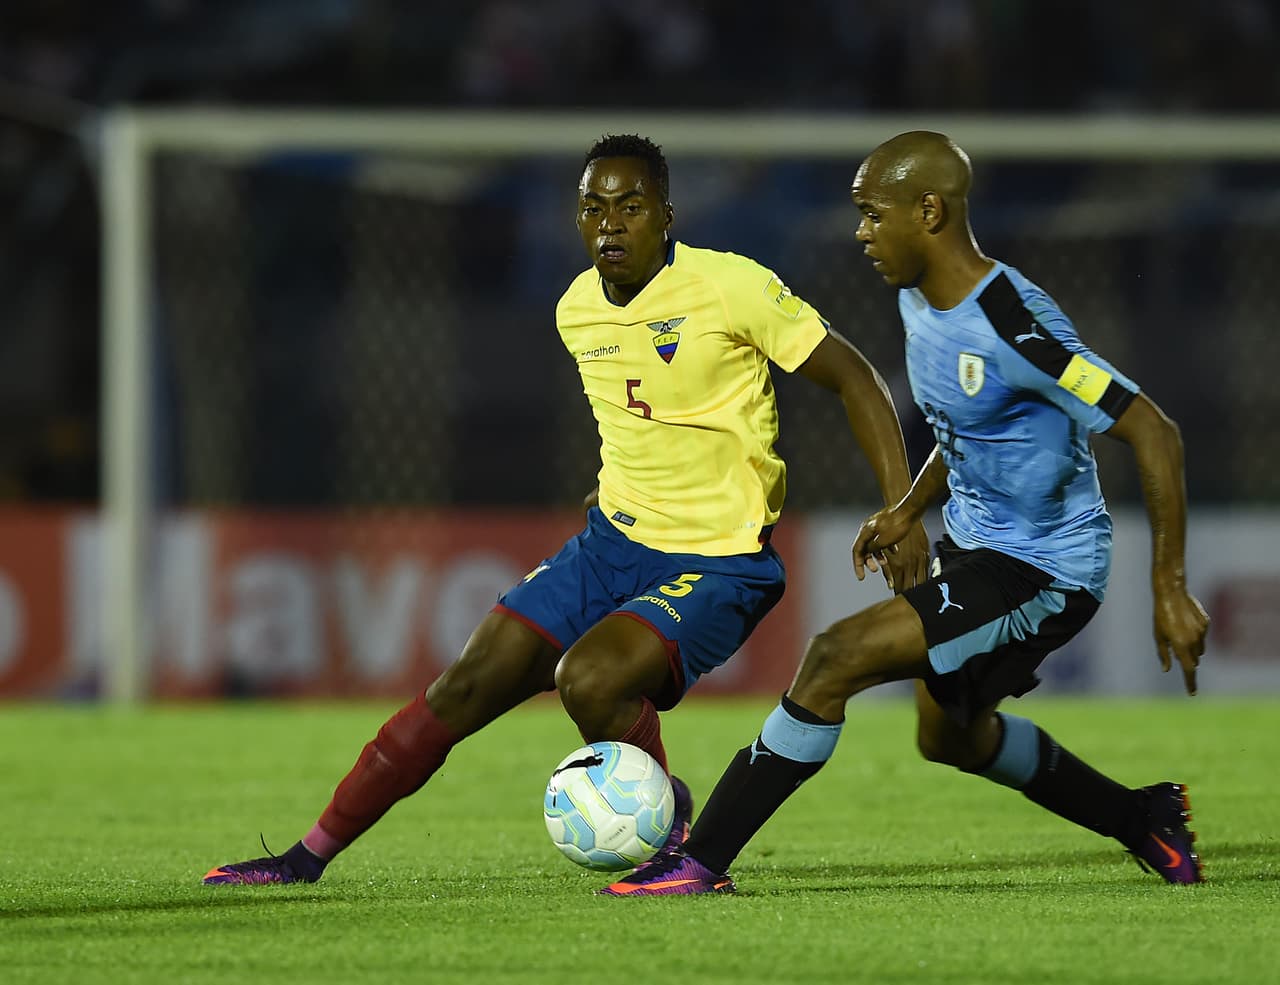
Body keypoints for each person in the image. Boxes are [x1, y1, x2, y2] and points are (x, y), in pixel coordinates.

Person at [203, 133, 930, 885]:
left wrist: (902, 508)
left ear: (666, 216)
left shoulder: (731, 287)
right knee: (465, 684)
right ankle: (304, 857)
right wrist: (615, 487)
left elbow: (856, 377)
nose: (610, 222)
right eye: (593, 207)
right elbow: (635, 418)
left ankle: (677, 838)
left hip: (719, 560)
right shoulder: (576, 309)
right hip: (609, 544)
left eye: (631, 206)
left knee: (589, 679)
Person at [603, 130, 1210, 897]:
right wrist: (908, 508)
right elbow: (966, 430)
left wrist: (1170, 585)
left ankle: (699, 860)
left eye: (870, 213)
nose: (859, 233)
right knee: (949, 736)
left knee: (834, 656)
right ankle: (1144, 815)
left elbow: (1153, 429)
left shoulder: (1014, 325)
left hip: (1045, 570)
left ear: (928, 210)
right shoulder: (917, 298)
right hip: (978, 546)